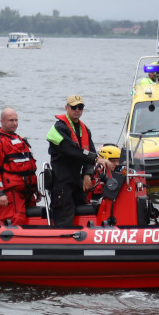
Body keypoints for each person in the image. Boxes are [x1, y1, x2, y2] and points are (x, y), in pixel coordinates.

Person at [47, 95, 113, 227]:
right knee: (64, 220)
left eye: (80, 107)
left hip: (78, 183)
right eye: (74, 107)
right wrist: (97, 159)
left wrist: (87, 174)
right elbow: (72, 149)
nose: (77, 110)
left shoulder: (84, 130)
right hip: (62, 184)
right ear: (66, 108)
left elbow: (90, 152)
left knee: (83, 216)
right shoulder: (57, 129)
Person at [0, 108, 39, 226]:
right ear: (2, 121)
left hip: (27, 192)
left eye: (16, 120)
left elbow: (28, 167)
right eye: (11, 120)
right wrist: (0, 193)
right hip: (10, 193)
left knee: (33, 220)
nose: (14, 123)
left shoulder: (19, 139)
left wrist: (36, 189)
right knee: (16, 219)